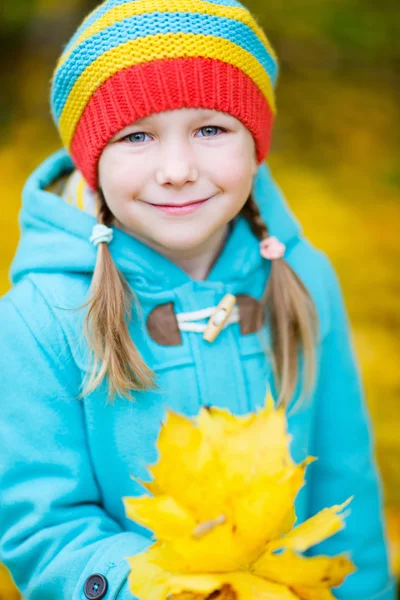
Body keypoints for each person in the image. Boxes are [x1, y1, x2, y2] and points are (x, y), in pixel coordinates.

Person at [0, 0, 396, 598]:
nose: (178, 169)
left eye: (211, 129)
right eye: (137, 135)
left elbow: (346, 489)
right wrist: (168, 585)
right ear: (93, 159)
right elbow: (43, 525)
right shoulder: (39, 317)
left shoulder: (306, 279)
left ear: (255, 144)